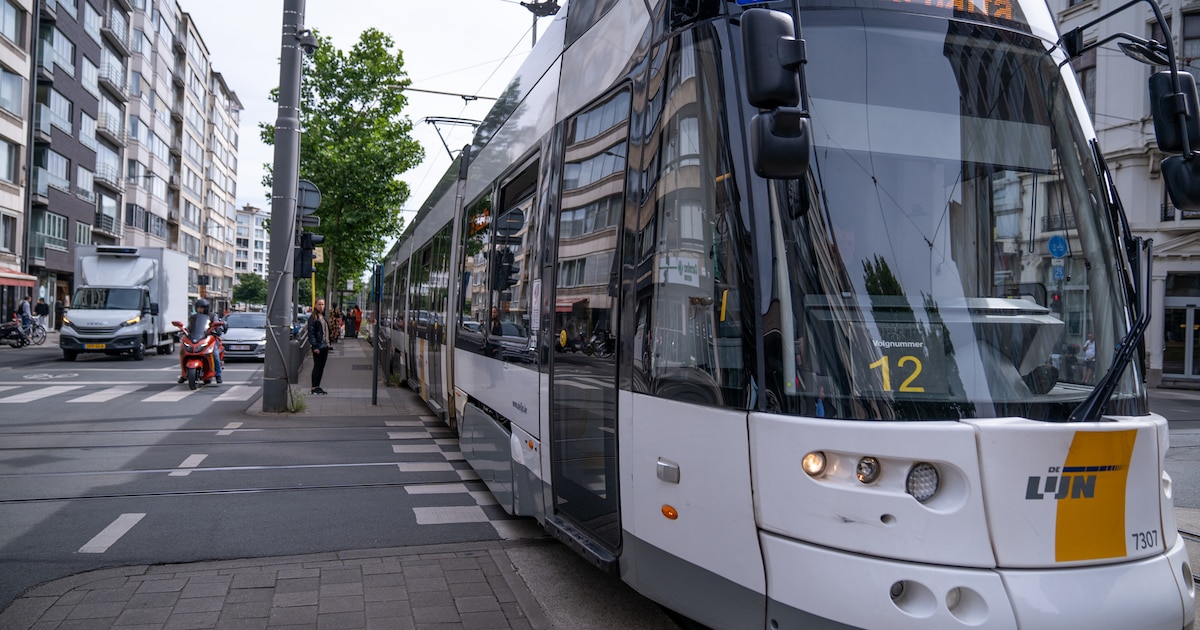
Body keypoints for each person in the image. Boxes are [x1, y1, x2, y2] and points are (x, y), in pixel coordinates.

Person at [178, 298, 223, 384]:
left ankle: (218, 374)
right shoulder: (193, 317)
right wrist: (184, 331)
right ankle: (184, 374)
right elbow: (189, 327)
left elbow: (218, 326)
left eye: (201, 308)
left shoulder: (212, 316)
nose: (200, 309)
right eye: (198, 308)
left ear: (206, 308)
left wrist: (217, 330)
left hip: (209, 338)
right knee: (183, 352)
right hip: (196, 339)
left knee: (214, 354)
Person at [307, 298, 330, 395]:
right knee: (317, 366)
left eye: (323, 304)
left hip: (325, 345)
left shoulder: (322, 316)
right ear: (315, 305)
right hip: (319, 346)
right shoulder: (313, 318)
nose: (321, 306)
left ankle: (317, 386)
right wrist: (315, 346)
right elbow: (311, 333)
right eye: (319, 304)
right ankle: (314, 387)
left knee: (321, 367)